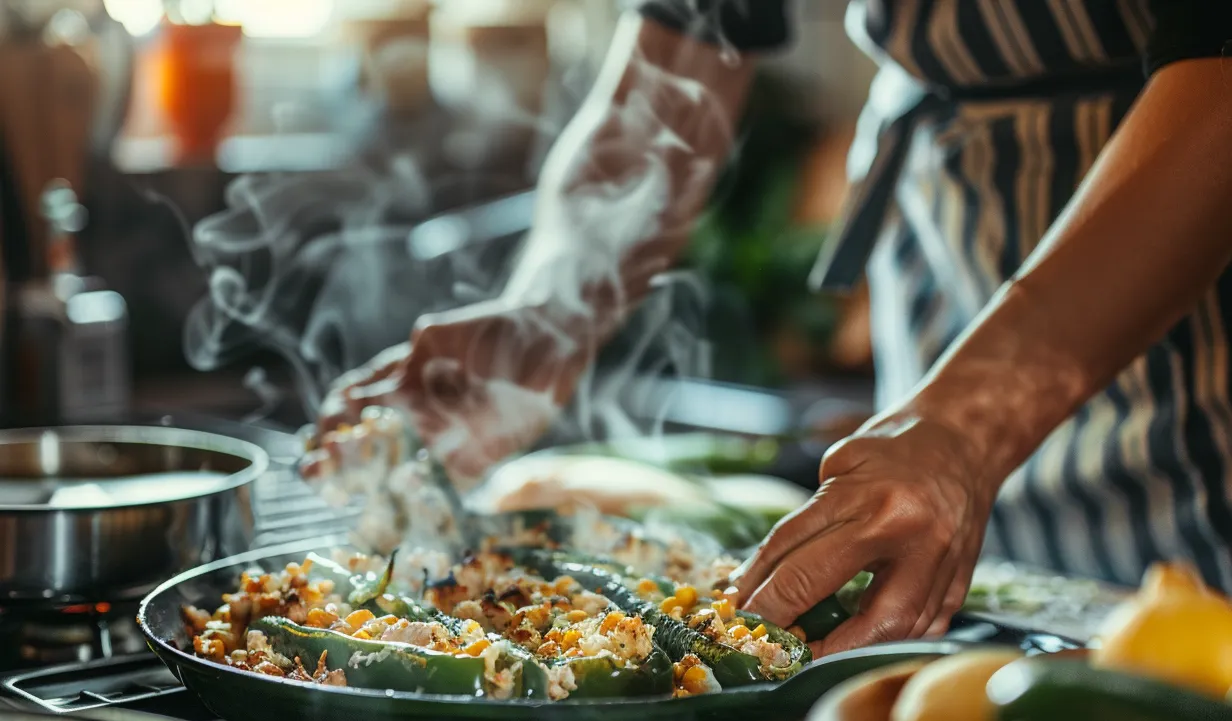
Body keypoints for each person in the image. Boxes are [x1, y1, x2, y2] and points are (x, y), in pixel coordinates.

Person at [316, 1, 1232, 656]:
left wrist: (967, 426)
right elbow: (689, 35)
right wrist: (549, 316)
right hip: (953, 245)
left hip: (1180, 260)